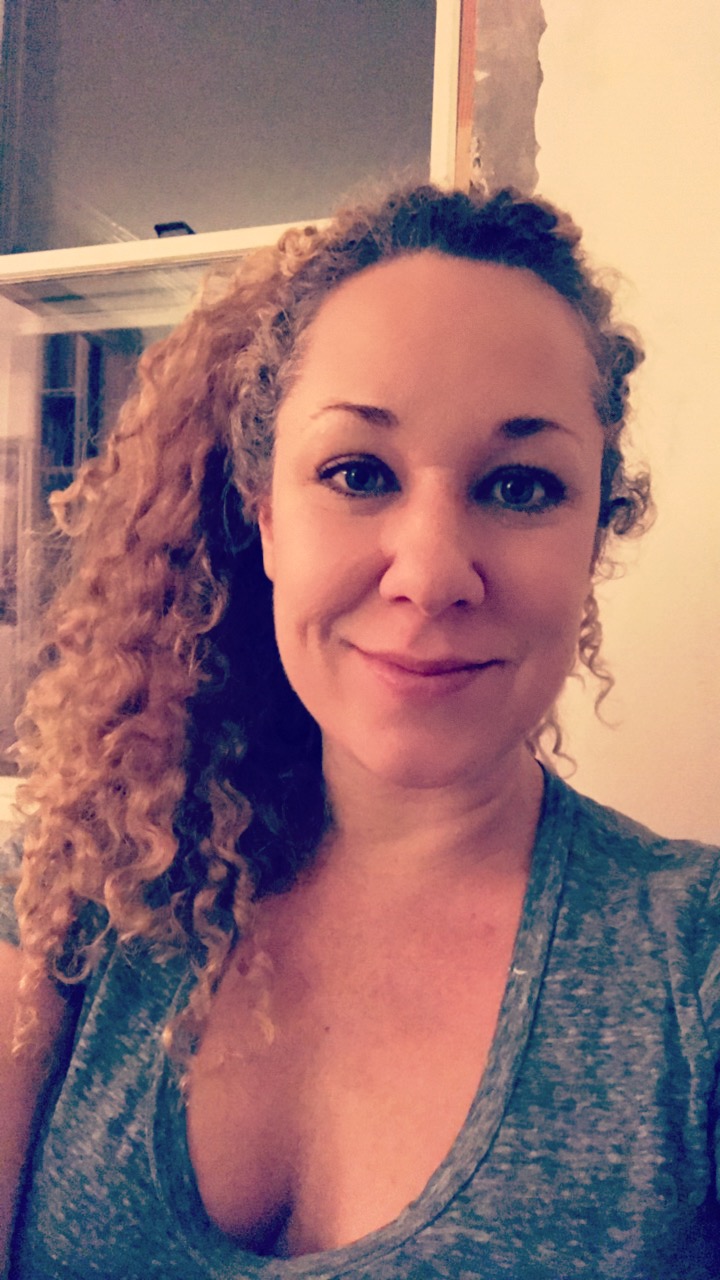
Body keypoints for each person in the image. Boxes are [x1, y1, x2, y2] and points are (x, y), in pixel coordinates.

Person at [0, 183, 718, 1279]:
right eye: (357, 473)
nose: (430, 573)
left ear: (594, 535)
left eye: (520, 486)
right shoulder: (76, 886)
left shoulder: (690, 968)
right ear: (265, 514)